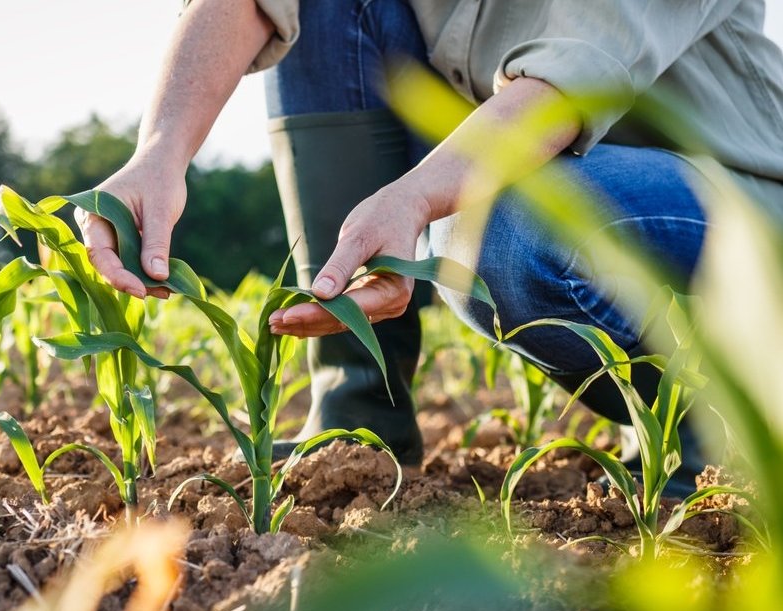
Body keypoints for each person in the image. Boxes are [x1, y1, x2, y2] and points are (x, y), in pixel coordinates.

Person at [76, 0, 783, 493]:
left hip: (731, 198)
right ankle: (359, 416)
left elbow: (562, 86)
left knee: (496, 230)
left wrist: (416, 199)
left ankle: (727, 429)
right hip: (543, 171)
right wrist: (162, 151)